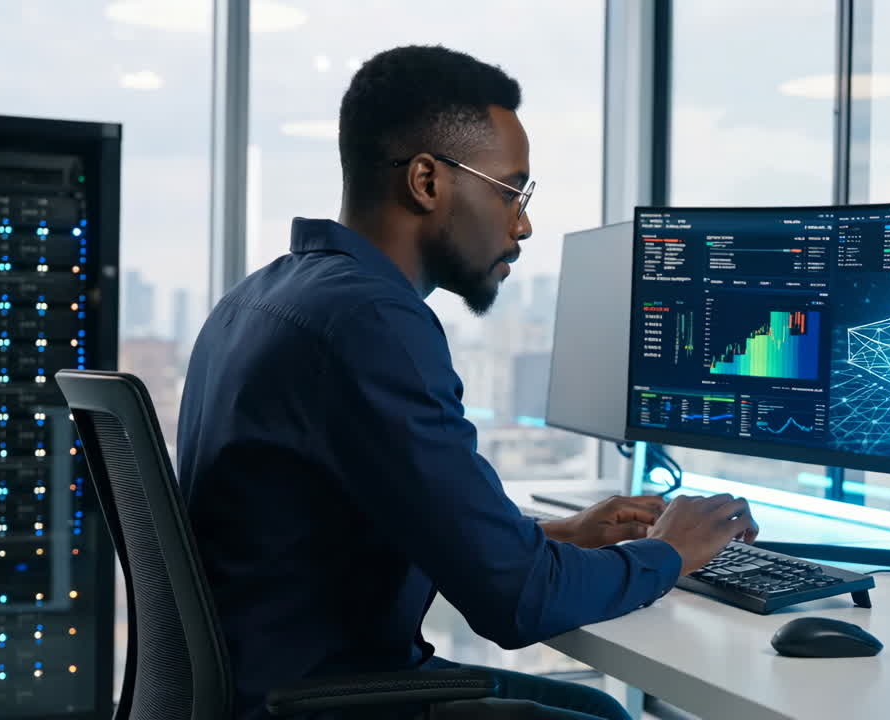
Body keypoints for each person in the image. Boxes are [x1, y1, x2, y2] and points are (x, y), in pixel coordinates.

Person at [176, 45, 759, 720]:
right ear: (427, 181)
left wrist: (558, 534)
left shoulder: (268, 295)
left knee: (596, 711)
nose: (524, 225)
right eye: (513, 191)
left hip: (280, 686)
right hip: (320, 703)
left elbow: (388, 518)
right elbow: (515, 604)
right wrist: (669, 551)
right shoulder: (372, 324)